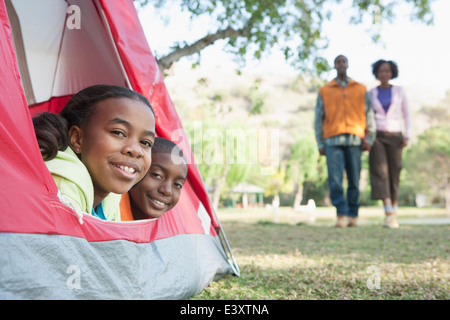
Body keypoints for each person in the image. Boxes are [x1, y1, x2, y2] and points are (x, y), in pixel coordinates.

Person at [33, 84, 156, 221]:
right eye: (118, 133)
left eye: (145, 143)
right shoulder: (62, 187)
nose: (135, 150)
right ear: (77, 139)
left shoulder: (110, 196)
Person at [314, 55, 376, 228]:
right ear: (334, 65)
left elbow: (369, 114)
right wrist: (320, 142)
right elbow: (318, 119)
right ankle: (341, 213)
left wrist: (369, 138)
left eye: (343, 61)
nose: (341, 64)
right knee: (335, 179)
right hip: (332, 141)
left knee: (355, 179)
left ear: (347, 64)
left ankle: (353, 215)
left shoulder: (360, 89)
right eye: (338, 62)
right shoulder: (325, 90)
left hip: (355, 140)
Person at [369, 59, 411, 229]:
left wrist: (407, 135)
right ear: (376, 73)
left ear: (392, 73)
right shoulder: (371, 93)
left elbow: (406, 114)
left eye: (387, 71)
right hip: (377, 136)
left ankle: (394, 208)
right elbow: (368, 116)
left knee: (395, 172)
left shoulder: (399, 91)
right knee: (380, 172)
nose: (384, 74)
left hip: (396, 136)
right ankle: (388, 211)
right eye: (381, 71)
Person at [119, 137, 188, 220]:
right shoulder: (106, 212)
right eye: (157, 175)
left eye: (177, 184)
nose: (167, 191)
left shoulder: (166, 230)